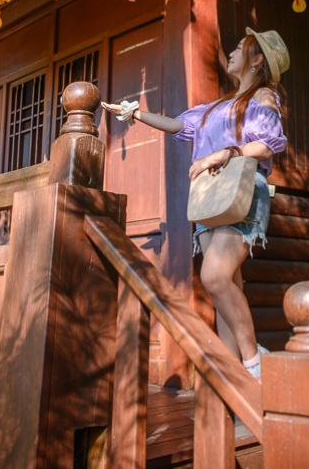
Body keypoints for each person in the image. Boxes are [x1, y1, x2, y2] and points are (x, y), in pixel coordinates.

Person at [103, 28, 289, 380]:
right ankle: (235, 385)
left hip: (242, 190)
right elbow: (179, 125)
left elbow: (267, 145)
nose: (231, 52)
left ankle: (254, 364)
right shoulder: (221, 103)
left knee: (214, 276)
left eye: (239, 47)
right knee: (226, 286)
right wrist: (136, 114)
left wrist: (219, 154)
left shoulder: (263, 96)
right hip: (211, 195)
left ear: (257, 58)